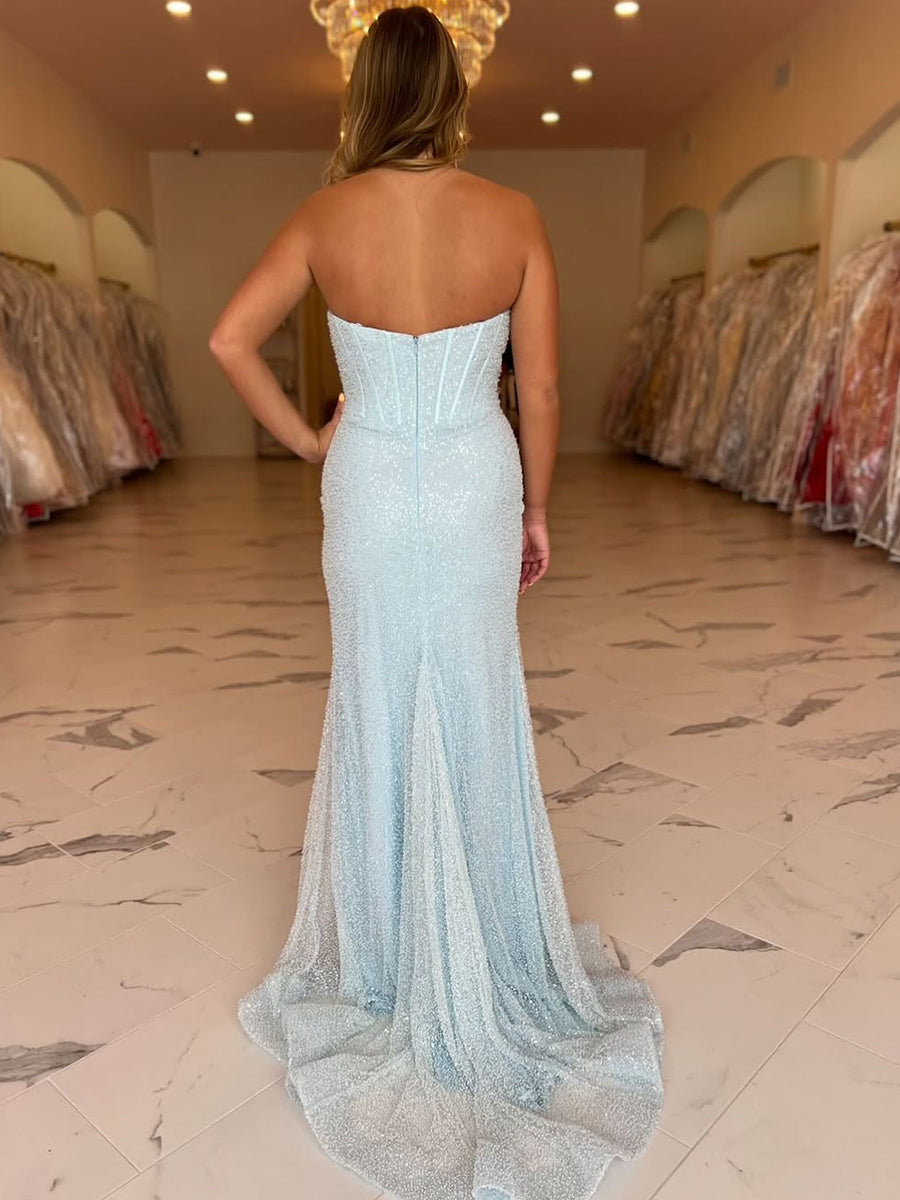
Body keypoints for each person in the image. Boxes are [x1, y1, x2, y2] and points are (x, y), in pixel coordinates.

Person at [208, 8, 664, 1198]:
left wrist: (310, 440)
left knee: (373, 694)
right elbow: (542, 387)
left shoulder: (325, 217)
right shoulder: (512, 214)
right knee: (473, 697)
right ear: (452, 93)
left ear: (363, 92)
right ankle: (491, 944)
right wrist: (538, 510)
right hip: (472, 477)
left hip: (367, 481)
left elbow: (229, 340)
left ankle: (374, 965)